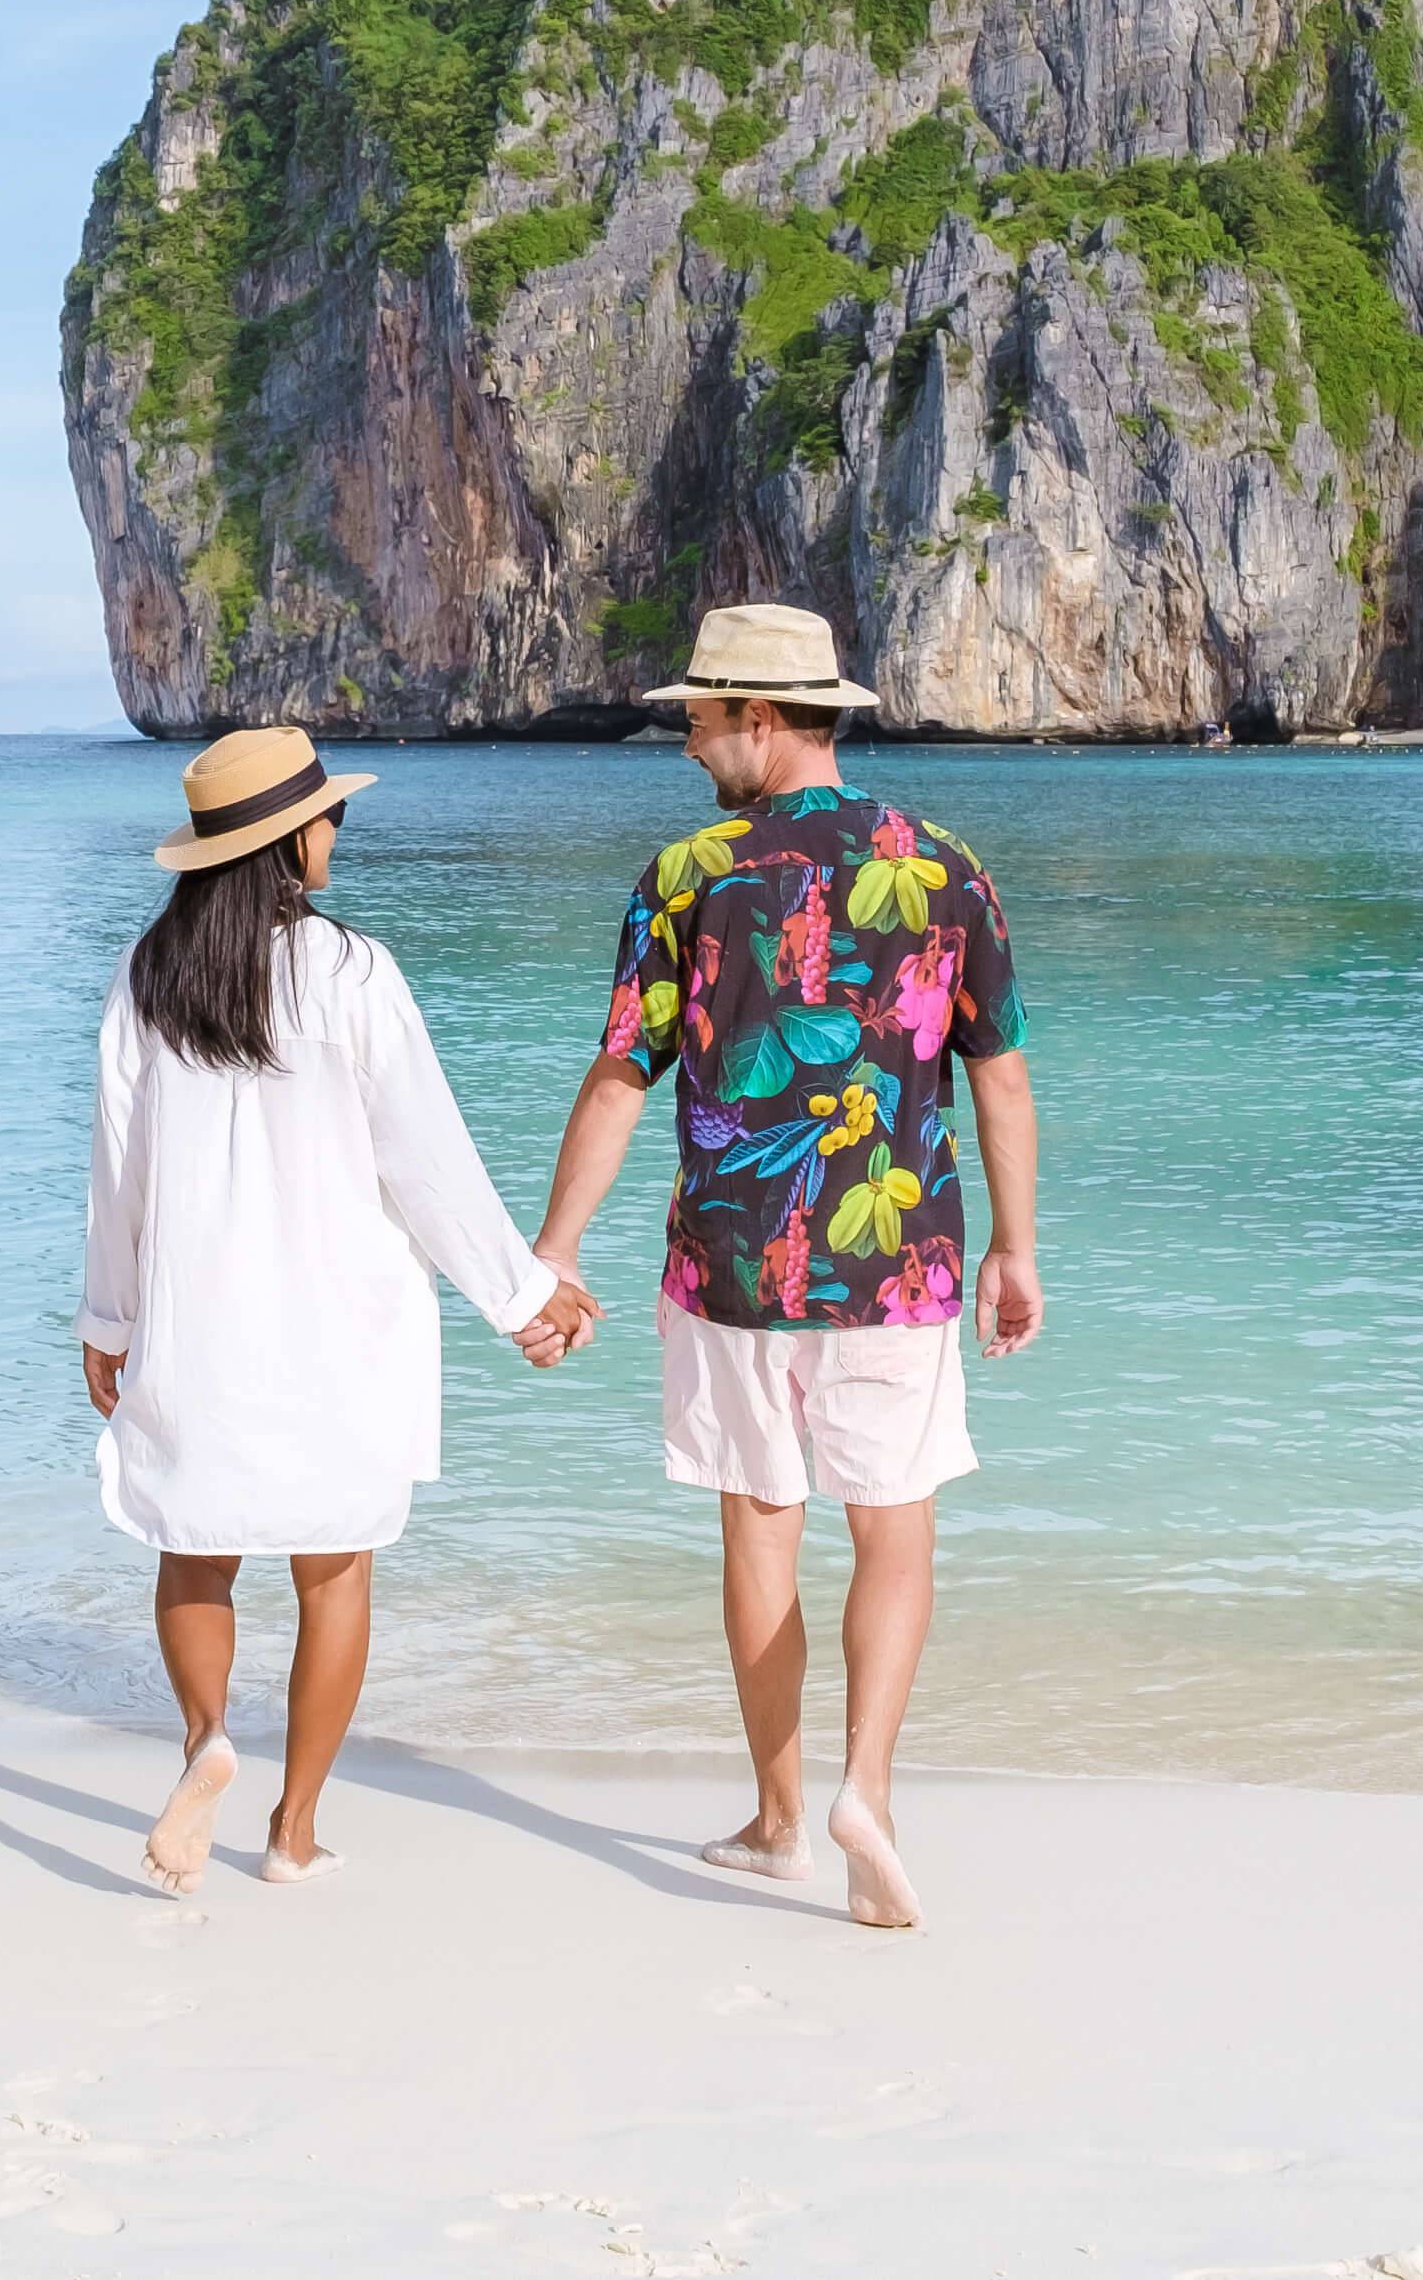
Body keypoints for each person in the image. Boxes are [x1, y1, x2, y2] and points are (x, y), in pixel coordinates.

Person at [527, 604, 1041, 1930]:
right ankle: (867, 1787)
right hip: (903, 1260)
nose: (687, 738)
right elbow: (1000, 1078)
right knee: (896, 1523)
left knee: (762, 1521)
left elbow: (620, 1075)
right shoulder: (943, 862)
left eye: (698, 716)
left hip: (731, 1268)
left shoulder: (688, 870)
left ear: (760, 718)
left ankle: (775, 1818)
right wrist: (1013, 1248)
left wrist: (554, 1246)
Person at [80, 725, 595, 1894]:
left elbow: (119, 1169)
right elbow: (425, 1160)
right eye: (328, 820)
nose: (333, 835)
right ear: (290, 842)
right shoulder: (353, 971)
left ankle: (207, 1737)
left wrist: (107, 1318)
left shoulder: (147, 975)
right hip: (338, 1331)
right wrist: (520, 1294)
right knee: (334, 1574)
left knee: (193, 1554)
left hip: (195, 1320)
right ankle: (293, 1830)